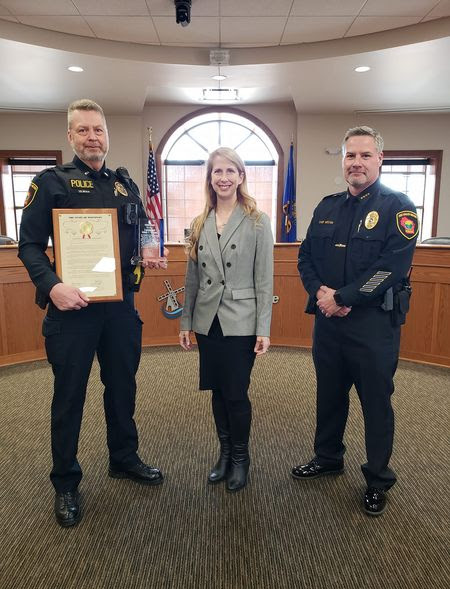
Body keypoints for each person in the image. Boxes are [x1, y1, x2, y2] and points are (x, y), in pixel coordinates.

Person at [18, 99, 167, 528]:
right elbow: (29, 246)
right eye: (82, 130)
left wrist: (147, 254)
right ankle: (65, 481)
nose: (92, 137)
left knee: (122, 387)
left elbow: (137, 234)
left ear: (107, 133)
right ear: (70, 136)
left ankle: (124, 457)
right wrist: (52, 287)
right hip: (72, 312)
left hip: (120, 309)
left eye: (98, 130)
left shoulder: (125, 185)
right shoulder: (51, 182)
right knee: (69, 398)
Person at [292, 126, 419, 516]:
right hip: (328, 325)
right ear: (342, 160)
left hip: (373, 328)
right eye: (350, 156)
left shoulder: (399, 207)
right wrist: (321, 295)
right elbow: (306, 258)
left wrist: (344, 298)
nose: (357, 163)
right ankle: (328, 457)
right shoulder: (327, 207)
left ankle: (378, 477)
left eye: (365, 155)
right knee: (329, 396)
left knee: (375, 404)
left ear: (380, 159)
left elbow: (392, 269)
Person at [179, 147, 273, 492]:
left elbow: (265, 280)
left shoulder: (257, 221)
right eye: (217, 172)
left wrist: (263, 328)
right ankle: (223, 453)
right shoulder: (199, 222)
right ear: (210, 178)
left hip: (241, 320)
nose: (223, 178)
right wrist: (186, 322)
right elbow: (192, 280)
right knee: (217, 391)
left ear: (241, 176)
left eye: (230, 171)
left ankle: (240, 457)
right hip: (207, 321)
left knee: (236, 392)